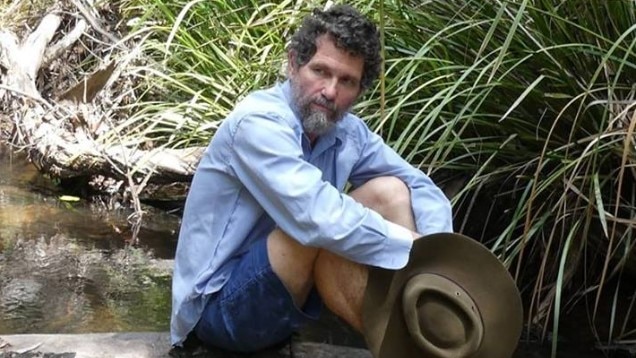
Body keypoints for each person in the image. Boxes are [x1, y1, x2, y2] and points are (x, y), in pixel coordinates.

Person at [170, 4, 453, 353]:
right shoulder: (258, 123)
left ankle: (425, 330)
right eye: (320, 71)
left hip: (285, 298)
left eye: (347, 81)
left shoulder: (349, 133)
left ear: (360, 89)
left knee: (391, 192)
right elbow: (317, 217)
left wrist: (439, 253)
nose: (330, 92)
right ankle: (407, 347)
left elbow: (420, 186)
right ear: (293, 63)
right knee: (319, 230)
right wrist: (411, 245)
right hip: (215, 312)